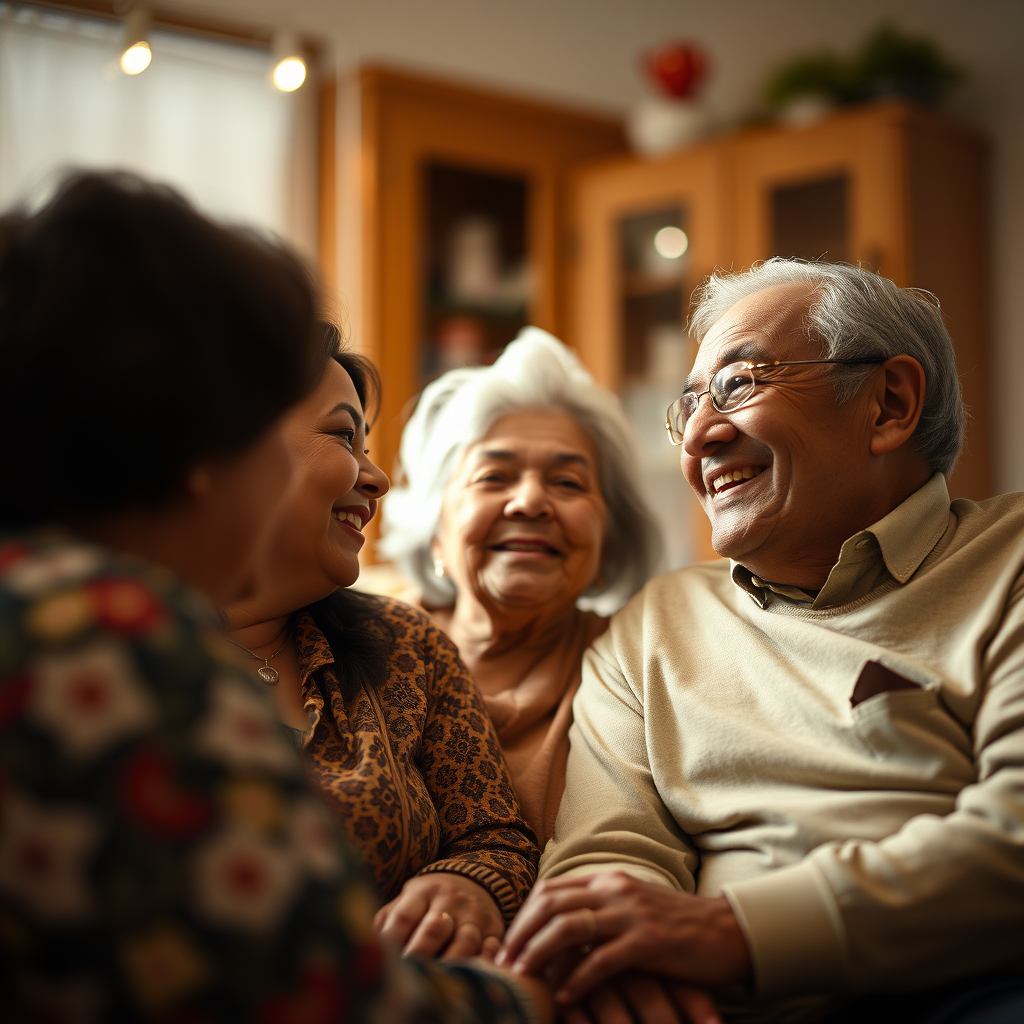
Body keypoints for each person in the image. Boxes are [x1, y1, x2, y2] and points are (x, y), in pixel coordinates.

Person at [0, 171, 550, 1023]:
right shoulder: (113, 637)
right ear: (189, 440)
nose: (375, 477)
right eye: (260, 427)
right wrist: (528, 1000)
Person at [498, 259, 1024, 1024]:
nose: (702, 438)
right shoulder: (654, 625)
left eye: (739, 384)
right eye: (688, 408)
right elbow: (611, 852)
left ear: (890, 404)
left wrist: (735, 932)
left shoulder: (1010, 564)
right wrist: (622, 960)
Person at [222, 321, 540, 962]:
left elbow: (497, 838)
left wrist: (466, 884)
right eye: (344, 435)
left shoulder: (407, 648)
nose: (377, 479)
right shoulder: (103, 650)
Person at [380, 328, 662, 847]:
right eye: (494, 476)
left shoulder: (639, 676)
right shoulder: (353, 649)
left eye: (568, 482)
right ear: (436, 530)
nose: (530, 502)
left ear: (608, 538)